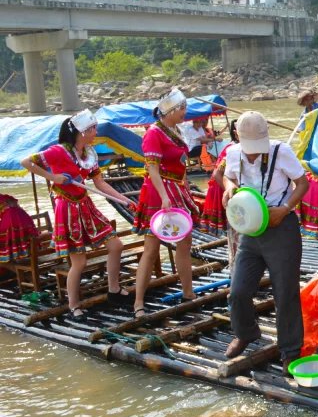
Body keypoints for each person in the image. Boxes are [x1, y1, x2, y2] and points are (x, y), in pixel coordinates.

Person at [223, 111, 309, 372]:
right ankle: (246, 332)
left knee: (285, 293)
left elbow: (303, 183)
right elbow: (228, 177)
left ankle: (290, 350)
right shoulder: (232, 153)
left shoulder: (281, 151)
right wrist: (228, 187)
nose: (252, 154)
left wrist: (285, 208)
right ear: (238, 137)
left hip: (281, 226)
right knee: (238, 291)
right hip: (250, 227)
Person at [20, 110, 128, 317]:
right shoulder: (58, 151)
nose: (96, 132)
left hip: (85, 204)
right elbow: (26, 162)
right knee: (80, 261)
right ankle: (74, 305)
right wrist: (53, 177)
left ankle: (114, 289)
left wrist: (125, 200)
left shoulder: (90, 153)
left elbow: (100, 183)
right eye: (93, 129)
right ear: (82, 131)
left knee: (116, 245)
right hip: (67, 207)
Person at [132, 88, 199, 316]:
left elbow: (179, 164)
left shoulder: (175, 129)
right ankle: (138, 302)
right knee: (151, 249)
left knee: (185, 242)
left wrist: (184, 186)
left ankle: (188, 291)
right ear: (169, 110)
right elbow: (152, 168)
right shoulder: (154, 133)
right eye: (181, 109)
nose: (184, 113)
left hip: (177, 188)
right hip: (158, 192)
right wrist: (164, 197)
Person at [198, 120, 238, 235]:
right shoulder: (231, 149)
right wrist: (228, 189)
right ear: (236, 134)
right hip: (221, 184)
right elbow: (217, 173)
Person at [0, 194, 36, 265]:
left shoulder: (7, 209)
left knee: (6, 239)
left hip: (10, 223)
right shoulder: (8, 198)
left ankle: (8, 263)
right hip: (24, 220)